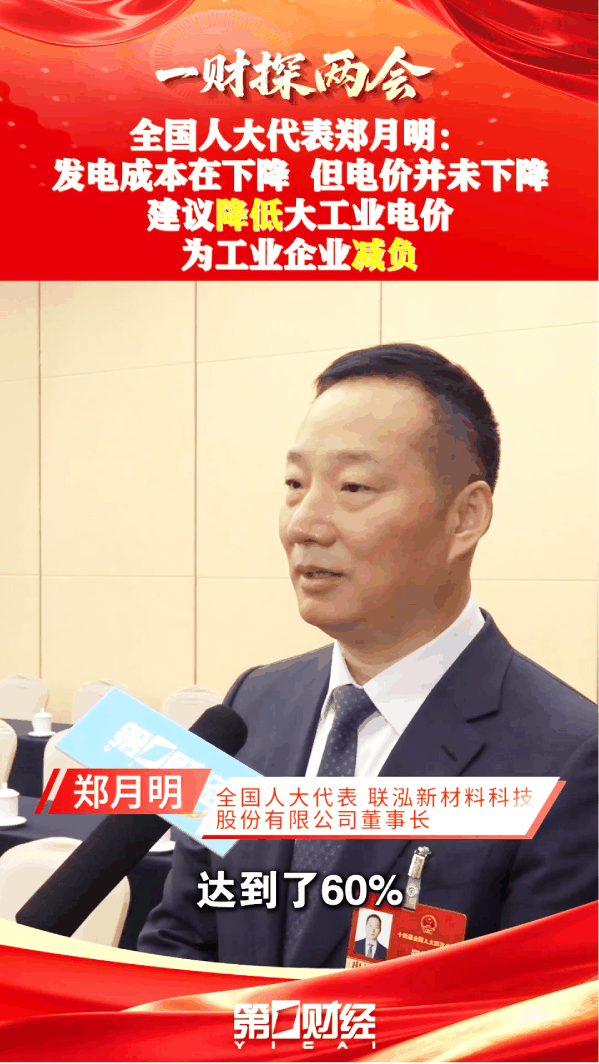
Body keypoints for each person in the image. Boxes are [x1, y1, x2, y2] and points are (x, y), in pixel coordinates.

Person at [138, 343, 598, 969]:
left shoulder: (571, 759)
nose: (303, 524)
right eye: (295, 485)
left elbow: (526, 1012)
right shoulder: (253, 705)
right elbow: (180, 945)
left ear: (465, 517)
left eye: (353, 486)